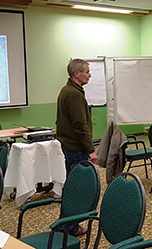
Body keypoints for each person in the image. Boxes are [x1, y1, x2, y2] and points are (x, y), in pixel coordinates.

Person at [56, 58, 96, 236]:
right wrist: (91, 150)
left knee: (72, 188)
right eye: (87, 71)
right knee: (77, 190)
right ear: (76, 74)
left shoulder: (69, 90)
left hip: (69, 148)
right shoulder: (73, 93)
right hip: (75, 150)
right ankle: (69, 227)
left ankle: (64, 224)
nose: (89, 75)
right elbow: (80, 125)